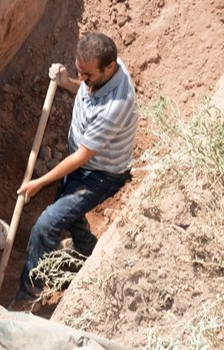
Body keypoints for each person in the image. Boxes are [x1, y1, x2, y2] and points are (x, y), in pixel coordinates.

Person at [13, 31, 138, 303]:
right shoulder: (99, 73)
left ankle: (27, 298)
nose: (84, 81)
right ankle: (86, 250)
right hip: (84, 163)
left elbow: (82, 158)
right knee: (67, 209)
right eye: (80, 72)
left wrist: (39, 182)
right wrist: (65, 80)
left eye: (88, 75)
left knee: (45, 226)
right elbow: (80, 88)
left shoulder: (115, 105)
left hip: (100, 174)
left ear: (110, 68)